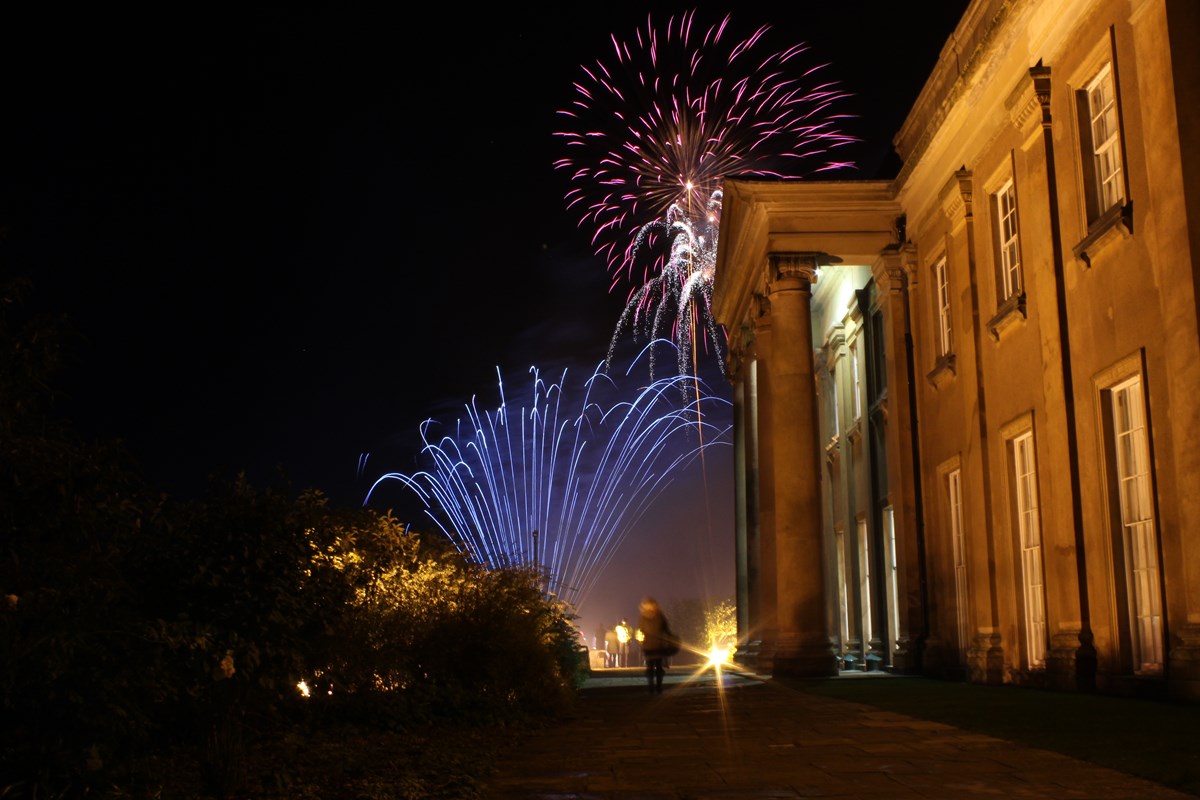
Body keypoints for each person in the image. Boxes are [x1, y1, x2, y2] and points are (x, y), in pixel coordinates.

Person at [637, 596, 674, 694]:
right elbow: (666, 630)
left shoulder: (643, 617)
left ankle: (652, 687)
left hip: (649, 646)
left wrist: (641, 641)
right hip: (657, 646)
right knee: (658, 667)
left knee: (651, 668)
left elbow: (640, 631)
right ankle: (658, 687)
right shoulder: (660, 616)